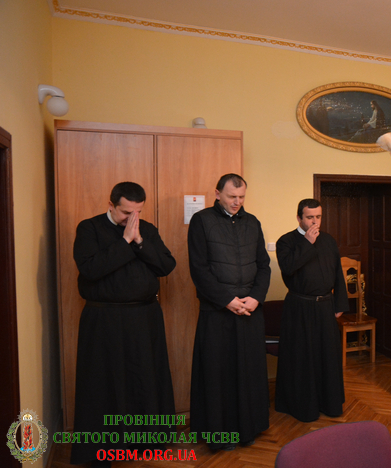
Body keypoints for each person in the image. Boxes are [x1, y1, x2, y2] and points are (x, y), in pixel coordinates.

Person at [70, 182, 176, 467]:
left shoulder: (147, 230)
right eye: (126, 212)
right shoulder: (89, 228)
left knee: (144, 380)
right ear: (111, 204)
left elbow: (166, 266)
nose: (132, 218)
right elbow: (91, 269)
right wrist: (125, 241)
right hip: (103, 320)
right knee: (103, 383)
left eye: (137, 212)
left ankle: (145, 442)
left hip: (144, 318)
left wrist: (139, 240)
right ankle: (102, 449)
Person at [188, 174, 271, 450]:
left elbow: (263, 266)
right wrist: (227, 300)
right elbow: (199, 269)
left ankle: (248, 429)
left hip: (249, 311)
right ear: (217, 194)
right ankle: (220, 435)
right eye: (232, 196)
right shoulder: (201, 221)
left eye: (242, 197)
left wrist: (256, 298)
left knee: (249, 373)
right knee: (218, 375)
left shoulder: (253, 222)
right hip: (217, 313)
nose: (237, 202)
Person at [275, 199, 348, 422]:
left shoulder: (329, 240)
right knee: (302, 359)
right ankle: (303, 407)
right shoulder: (286, 241)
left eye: (318, 217)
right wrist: (307, 242)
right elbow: (288, 268)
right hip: (299, 307)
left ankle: (330, 403)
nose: (315, 221)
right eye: (309, 217)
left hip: (325, 306)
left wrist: (340, 304)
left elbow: (337, 273)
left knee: (328, 357)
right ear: (299, 218)